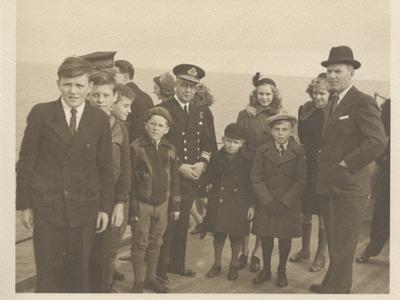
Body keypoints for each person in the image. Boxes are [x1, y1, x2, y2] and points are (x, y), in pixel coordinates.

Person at [16, 56, 114, 292]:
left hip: (85, 210)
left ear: (90, 86)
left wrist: (104, 208)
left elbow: (106, 168)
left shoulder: (99, 119)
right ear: (58, 83)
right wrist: (25, 205)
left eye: (79, 85)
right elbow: (26, 163)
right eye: (67, 84)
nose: (73, 91)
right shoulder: (41, 114)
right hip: (48, 210)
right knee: (47, 275)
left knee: (79, 275)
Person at [310, 46, 386, 294]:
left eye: (337, 71)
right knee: (335, 241)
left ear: (351, 72)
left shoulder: (362, 101)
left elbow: (377, 142)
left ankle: (339, 291)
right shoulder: (333, 101)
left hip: (349, 185)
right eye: (329, 71)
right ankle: (332, 284)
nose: (331, 76)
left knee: (343, 243)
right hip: (332, 185)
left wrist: (347, 163)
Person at [156, 64, 217, 283]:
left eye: (192, 87)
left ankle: (177, 264)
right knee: (167, 223)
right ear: (176, 85)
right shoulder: (164, 109)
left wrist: (202, 163)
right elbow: (159, 143)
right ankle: (159, 271)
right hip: (171, 175)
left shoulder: (201, 112)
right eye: (184, 85)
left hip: (192, 175)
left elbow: (208, 141)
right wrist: (180, 165)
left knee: (182, 222)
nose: (188, 91)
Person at [87, 71, 131, 293]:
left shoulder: (120, 127)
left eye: (105, 95)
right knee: (83, 254)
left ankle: (103, 290)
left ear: (115, 97)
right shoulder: (80, 123)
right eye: (95, 95)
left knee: (106, 253)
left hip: (112, 200)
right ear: (88, 95)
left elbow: (125, 169)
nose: (100, 100)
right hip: (86, 200)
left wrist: (121, 203)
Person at [129, 107, 181, 293]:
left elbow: (175, 179)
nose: (156, 128)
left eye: (160, 125)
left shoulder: (170, 149)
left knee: (156, 241)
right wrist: (133, 208)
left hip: (163, 203)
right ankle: (138, 281)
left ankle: (151, 278)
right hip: (142, 203)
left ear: (167, 129)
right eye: (152, 124)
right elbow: (130, 182)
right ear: (145, 125)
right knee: (140, 241)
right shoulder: (135, 148)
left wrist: (175, 205)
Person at [251, 113, 306, 287]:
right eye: (277, 129)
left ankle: (281, 270)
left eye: (285, 130)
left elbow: (301, 180)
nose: (281, 133)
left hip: (288, 204)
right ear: (271, 131)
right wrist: (267, 201)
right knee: (266, 237)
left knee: (285, 238)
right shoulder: (262, 150)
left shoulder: (298, 151)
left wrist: (285, 202)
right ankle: (266, 269)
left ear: (291, 131)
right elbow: (256, 178)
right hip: (266, 202)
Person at [236, 72, 283, 273]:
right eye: (261, 94)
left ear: (274, 96)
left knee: (262, 211)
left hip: (267, 168)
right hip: (246, 164)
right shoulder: (245, 114)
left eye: (268, 94)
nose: (264, 98)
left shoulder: (278, 116)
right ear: (255, 94)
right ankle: (243, 252)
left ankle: (256, 253)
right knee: (244, 210)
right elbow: (237, 138)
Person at [200, 123, 254, 281]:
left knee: (236, 236)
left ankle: (233, 265)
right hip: (219, 201)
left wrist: (252, 205)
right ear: (223, 139)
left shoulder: (247, 159)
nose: (231, 145)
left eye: (236, 142)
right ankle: (217, 264)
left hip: (239, 203)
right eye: (229, 141)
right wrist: (198, 182)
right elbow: (208, 176)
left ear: (242, 143)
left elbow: (252, 184)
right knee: (218, 235)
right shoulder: (216, 157)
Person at [289, 74, 329, 272]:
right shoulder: (305, 109)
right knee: (305, 209)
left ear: (330, 93)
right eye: (315, 93)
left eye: (322, 93)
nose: (318, 97)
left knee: (322, 211)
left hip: (325, 167)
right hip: (306, 164)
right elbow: (298, 134)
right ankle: (305, 250)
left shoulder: (335, 111)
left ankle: (321, 254)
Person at [356, 98, 390, 263]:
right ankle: (371, 250)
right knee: (383, 211)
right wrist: (382, 158)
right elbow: (380, 134)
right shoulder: (391, 105)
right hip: (392, 169)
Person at [115, 60, 154, 142]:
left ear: (125, 77)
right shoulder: (147, 97)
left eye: (113, 75)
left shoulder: (120, 96)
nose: (110, 78)